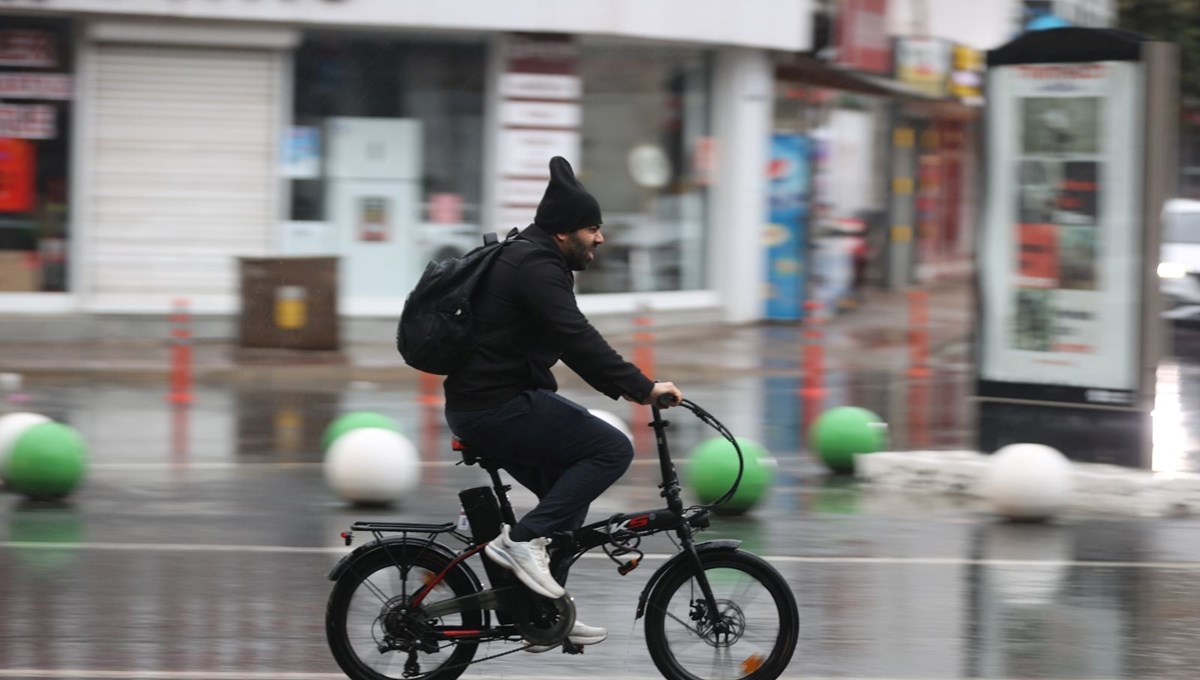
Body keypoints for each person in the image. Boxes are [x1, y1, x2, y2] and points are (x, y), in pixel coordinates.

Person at [443, 156, 682, 651]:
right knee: (610, 449)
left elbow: (572, 344)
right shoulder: (535, 265)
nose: (600, 239)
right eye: (592, 228)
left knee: (565, 501)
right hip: (496, 406)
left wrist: (636, 386)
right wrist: (644, 388)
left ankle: (542, 612)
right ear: (563, 231)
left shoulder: (531, 258)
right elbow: (576, 338)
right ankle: (519, 545)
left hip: (489, 403)